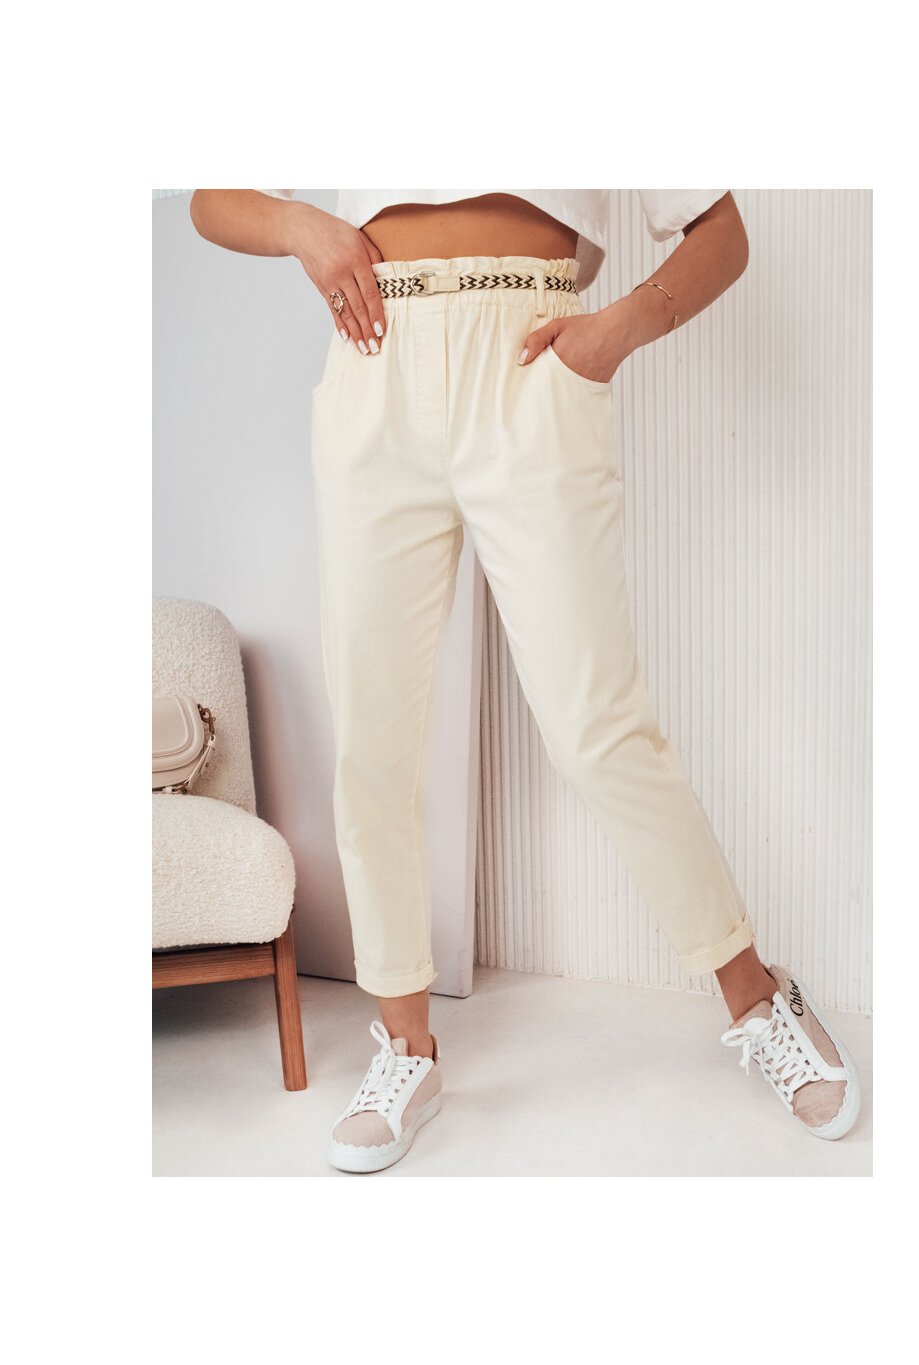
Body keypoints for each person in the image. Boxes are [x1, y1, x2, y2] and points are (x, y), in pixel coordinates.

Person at [189, 189, 861, 1172]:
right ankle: (406, 1048)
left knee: (598, 729)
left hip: (531, 359)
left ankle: (758, 996)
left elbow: (722, 235)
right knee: (374, 738)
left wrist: (618, 328)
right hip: (377, 358)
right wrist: (304, 229)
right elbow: (209, 198)